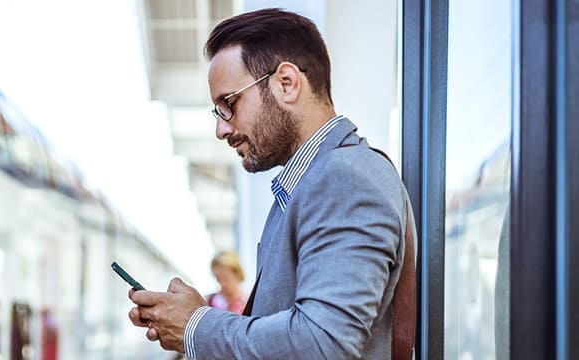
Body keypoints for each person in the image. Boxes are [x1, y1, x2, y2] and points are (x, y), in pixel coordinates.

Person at [127, 8, 416, 359]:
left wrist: (196, 325)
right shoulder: (311, 185)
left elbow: (323, 344)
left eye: (229, 103)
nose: (221, 129)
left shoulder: (344, 178)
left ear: (287, 83)